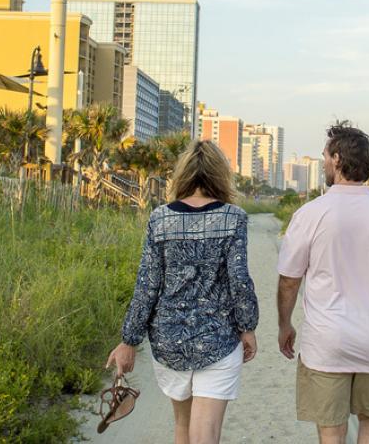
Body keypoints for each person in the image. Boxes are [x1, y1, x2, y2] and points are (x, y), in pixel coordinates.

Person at [277, 122, 369, 444]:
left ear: (337, 159)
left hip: (326, 342)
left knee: (331, 427)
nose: (323, 163)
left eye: (325, 156)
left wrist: (284, 325)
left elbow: (289, 280)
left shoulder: (310, 214)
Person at [108, 142, 260, 444]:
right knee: (205, 434)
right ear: (220, 174)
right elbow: (239, 279)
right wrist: (248, 327)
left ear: (182, 174)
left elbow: (147, 284)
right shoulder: (234, 218)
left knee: (182, 426)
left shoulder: (160, 218)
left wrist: (129, 340)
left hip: (170, 342)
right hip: (218, 338)